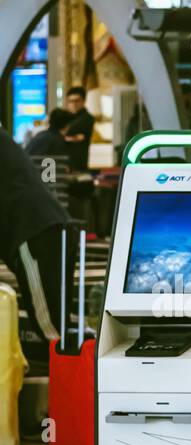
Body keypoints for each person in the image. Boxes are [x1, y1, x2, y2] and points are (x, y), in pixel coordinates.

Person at [0, 129, 72, 374]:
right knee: (56, 322)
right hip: (48, 227)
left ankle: (70, 392)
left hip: (33, 232)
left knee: (50, 328)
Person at [61, 86, 95, 171]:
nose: (73, 104)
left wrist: (64, 137)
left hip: (78, 162)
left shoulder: (87, 118)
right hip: (63, 161)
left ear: (83, 101)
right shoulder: (65, 117)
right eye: (71, 101)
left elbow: (81, 138)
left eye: (76, 101)